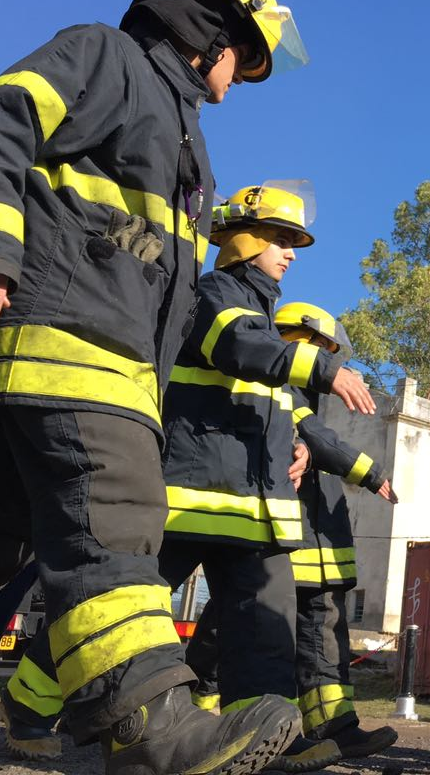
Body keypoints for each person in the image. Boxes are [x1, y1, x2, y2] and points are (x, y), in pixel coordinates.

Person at [0, 0, 316, 775]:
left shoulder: (178, 129)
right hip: (77, 355)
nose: (238, 81)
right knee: (115, 528)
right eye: (244, 59)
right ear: (210, 34)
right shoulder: (106, 56)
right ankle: (151, 729)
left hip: (74, 363)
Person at [156, 182, 376, 774]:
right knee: (132, 602)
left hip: (252, 503)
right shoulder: (215, 295)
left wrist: (297, 445)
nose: (293, 253)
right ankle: (29, 703)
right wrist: (323, 368)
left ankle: (268, 737)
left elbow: (272, 406)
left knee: (264, 627)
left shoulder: (251, 306)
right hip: (195, 494)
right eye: (282, 239)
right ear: (245, 239)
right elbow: (240, 350)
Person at [186, 302, 399, 761]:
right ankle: (198, 710)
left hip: (321, 547)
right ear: (297, 342)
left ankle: (335, 725)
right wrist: (371, 473)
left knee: (322, 633)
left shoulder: (301, 395)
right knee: (235, 623)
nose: (330, 362)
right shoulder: (277, 388)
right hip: (280, 537)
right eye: (322, 350)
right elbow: (319, 439)